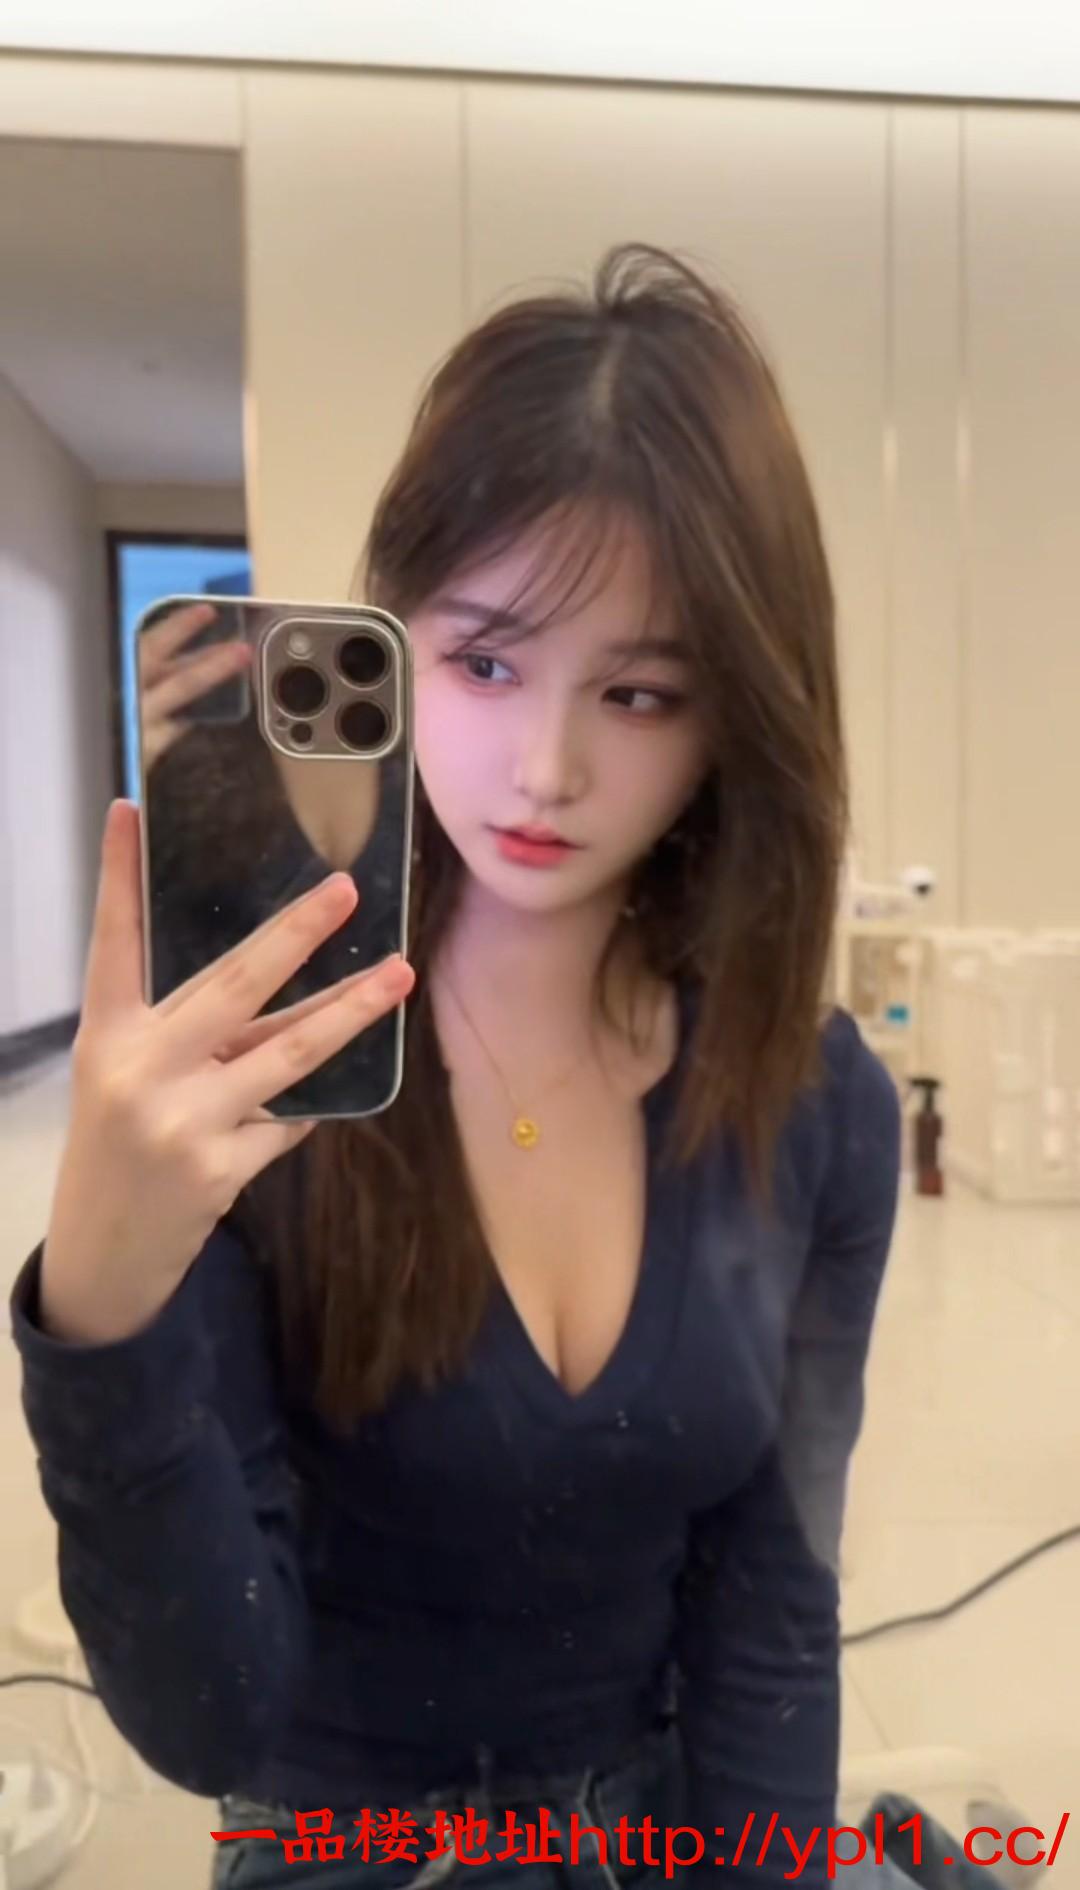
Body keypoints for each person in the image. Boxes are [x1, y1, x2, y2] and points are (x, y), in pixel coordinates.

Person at [10, 245, 905, 1888]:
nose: (547, 767)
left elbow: (773, 1612)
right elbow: (212, 1717)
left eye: (639, 691)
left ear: (736, 718)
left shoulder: (815, 1105)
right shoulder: (271, 1075)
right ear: (396, 639)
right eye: (487, 662)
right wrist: (103, 1311)